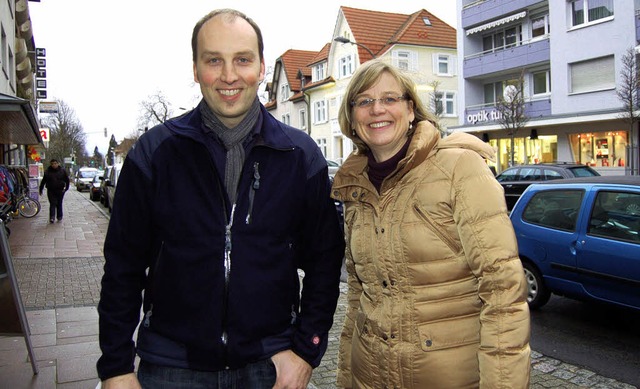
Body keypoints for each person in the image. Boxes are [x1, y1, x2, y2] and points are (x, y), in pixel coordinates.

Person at [96, 9, 344, 389]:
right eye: (214, 60)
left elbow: (325, 264)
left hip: (270, 365)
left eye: (242, 60)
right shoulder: (155, 154)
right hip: (170, 367)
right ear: (195, 69)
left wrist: (306, 351)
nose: (229, 75)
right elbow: (122, 268)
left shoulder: (301, 157)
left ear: (262, 67)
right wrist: (115, 367)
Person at [331, 60, 531, 388]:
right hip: (370, 375)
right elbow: (358, 296)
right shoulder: (355, 189)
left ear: (411, 109)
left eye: (389, 99)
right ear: (353, 118)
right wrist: (345, 378)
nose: (376, 109)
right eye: (364, 101)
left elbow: (502, 289)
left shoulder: (459, 169)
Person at [38, 159, 69, 223]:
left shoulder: (62, 171)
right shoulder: (47, 171)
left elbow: (67, 179)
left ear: (58, 164)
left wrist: (66, 188)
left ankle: (59, 216)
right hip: (51, 190)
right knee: (52, 203)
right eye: (52, 164)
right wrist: (41, 189)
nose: (54, 165)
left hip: (60, 189)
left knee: (59, 203)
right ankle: (52, 217)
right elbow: (44, 181)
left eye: (55, 163)